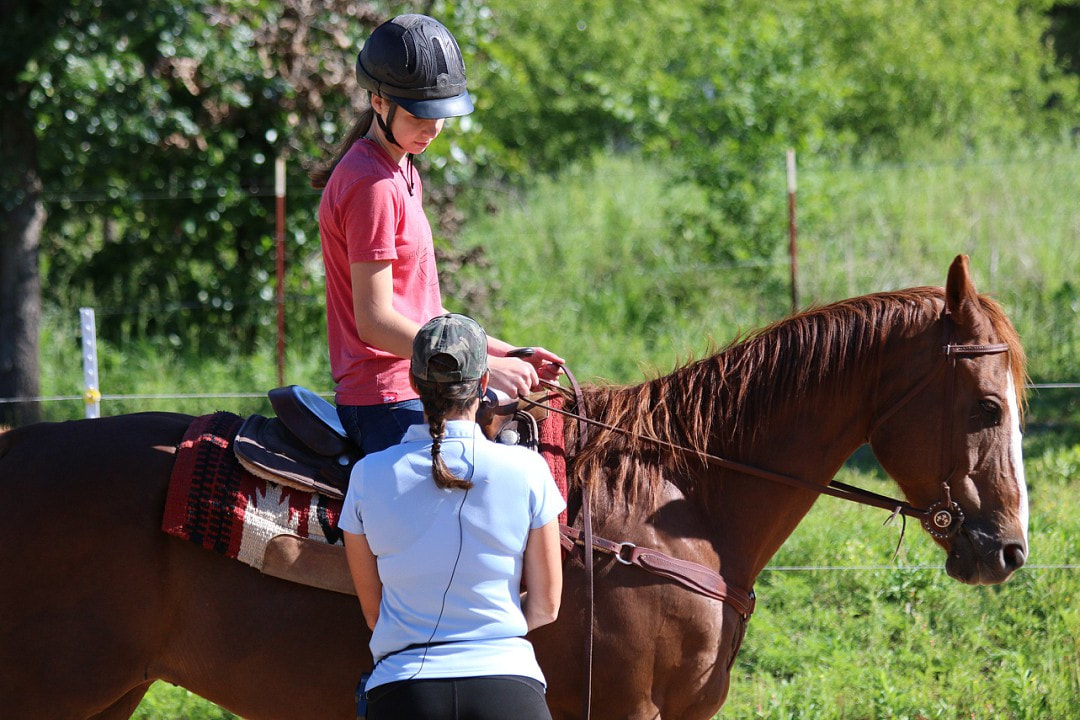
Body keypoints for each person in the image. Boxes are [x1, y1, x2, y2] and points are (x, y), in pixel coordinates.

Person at [312, 14, 563, 454]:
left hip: (422, 380)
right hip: (385, 398)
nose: (432, 129)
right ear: (377, 101)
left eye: (442, 116)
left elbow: (425, 310)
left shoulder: (402, 167)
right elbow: (375, 323)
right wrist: (475, 368)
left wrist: (509, 354)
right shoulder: (370, 184)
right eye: (419, 116)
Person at [340, 313, 564, 720]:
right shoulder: (530, 470)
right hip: (508, 687)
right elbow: (547, 605)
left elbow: (375, 614)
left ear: (412, 382)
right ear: (484, 384)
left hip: (403, 694)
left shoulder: (366, 475)